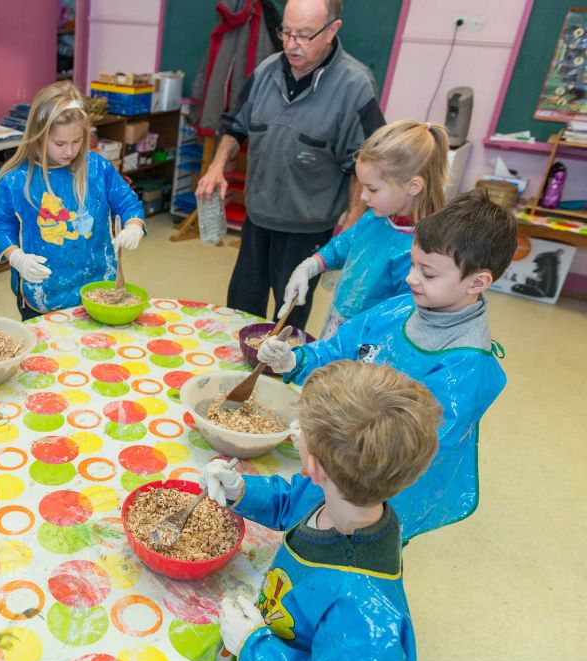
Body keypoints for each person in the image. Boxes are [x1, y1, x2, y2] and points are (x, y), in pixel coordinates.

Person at [257, 190, 518, 539]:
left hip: (383, 488)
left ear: (478, 282)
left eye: (428, 273)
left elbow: (407, 452)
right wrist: (295, 359)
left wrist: (326, 441)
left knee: (359, 542)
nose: (411, 278)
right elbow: (338, 351)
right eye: (413, 265)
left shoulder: (466, 367)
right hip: (343, 461)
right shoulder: (398, 309)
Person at [207, 360, 441, 661]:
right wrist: (241, 490)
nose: (295, 430)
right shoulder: (346, 493)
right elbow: (292, 501)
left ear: (314, 468)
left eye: (302, 429)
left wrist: (256, 648)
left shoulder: (364, 611)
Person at [195, 0, 386, 330]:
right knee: (240, 308)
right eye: (286, 32)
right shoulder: (265, 71)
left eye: (304, 35)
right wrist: (216, 166)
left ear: (332, 30)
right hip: (258, 217)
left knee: (288, 316)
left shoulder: (355, 85)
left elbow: (365, 159)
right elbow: (235, 126)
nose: (292, 44)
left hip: (308, 228)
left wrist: (353, 219)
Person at [0, 81, 145, 320]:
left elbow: (127, 202)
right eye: (59, 144)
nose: (69, 151)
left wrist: (134, 226)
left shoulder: (97, 167)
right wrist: (16, 257)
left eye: (77, 141)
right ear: (38, 136)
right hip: (43, 290)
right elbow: (0, 224)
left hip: (97, 284)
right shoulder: (15, 180)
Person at [280, 120, 450, 338]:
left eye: (372, 189)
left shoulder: (422, 251)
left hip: (371, 341)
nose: (363, 197)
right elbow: (341, 247)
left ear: (413, 186)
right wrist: (308, 267)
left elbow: (402, 318)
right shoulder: (374, 219)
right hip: (340, 327)